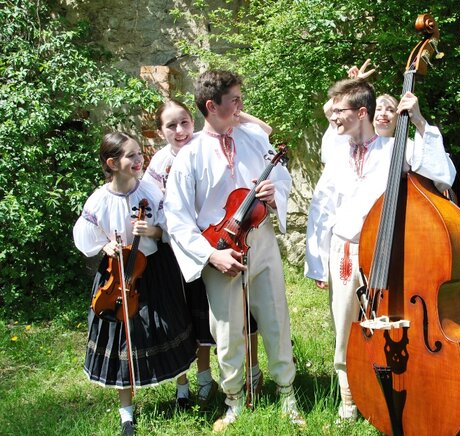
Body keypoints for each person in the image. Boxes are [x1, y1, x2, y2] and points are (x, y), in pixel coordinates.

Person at [304, 78, 456, 421]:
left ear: (361, 113)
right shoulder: (336, 151)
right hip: (344, 251)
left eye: (339, 110)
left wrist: (418, 122)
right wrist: (317, 263)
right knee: (345, 328)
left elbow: (443, 174)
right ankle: (349, 399)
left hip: (386, 252)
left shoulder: (395, 149)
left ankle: (388, 390)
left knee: (387, 326)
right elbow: (321, 207)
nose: (333, 117)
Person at [163, 70, 303, 431]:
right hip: (221, 250)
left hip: (262, 240)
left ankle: (287, 393)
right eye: (235, 101)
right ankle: (234, 400)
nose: (241, 107)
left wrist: (275, 194)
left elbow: (282, 178)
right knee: (226, 330)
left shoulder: (253, 138)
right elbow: (177, 218)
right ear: (212, 106)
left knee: (275, 316)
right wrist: (212, 256)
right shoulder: (189, 155)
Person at [142, 100, 271, 408]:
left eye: (184, 122)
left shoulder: (207, 142)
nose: (179, 130)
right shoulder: (159, 163)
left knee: (239, 314)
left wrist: (235, 111)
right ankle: (202, 378)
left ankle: (251, 372)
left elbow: (265, 131)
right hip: (182, 249)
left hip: (222, 243)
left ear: (194, 120)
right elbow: (155, 205)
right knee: (195, 318)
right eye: (171, 126)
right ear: (160, 132)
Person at [73, 132, 198, 435]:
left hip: (154, 271)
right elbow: (85, 236)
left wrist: (153, 230)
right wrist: (104, 246)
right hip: (118, 276)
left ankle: (182, 390)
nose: (139, 160)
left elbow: (172, 227)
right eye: (131, 156)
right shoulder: (100, 198)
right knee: (120, 341)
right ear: (111, 163)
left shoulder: (151, 191)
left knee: (167, 326)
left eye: (139, 154)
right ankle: (126, 412)